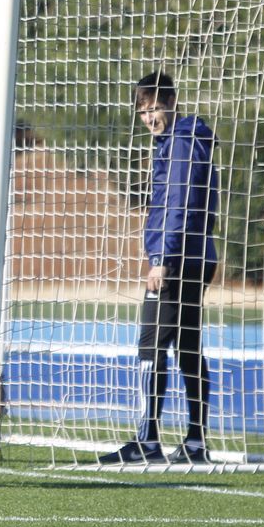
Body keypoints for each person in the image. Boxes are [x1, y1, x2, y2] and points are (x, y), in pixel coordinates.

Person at [100, 71, 219, 465]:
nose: (150, 118)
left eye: (155, 108)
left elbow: (179, 204)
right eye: (143, 111)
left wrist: (162, 259)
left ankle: (147, 439)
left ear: (171, 103)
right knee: (187, 346)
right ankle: (196, 441)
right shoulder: (178, 141)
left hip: (179, 259)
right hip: (197, 256)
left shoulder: (183, 142)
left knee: (151, 344)